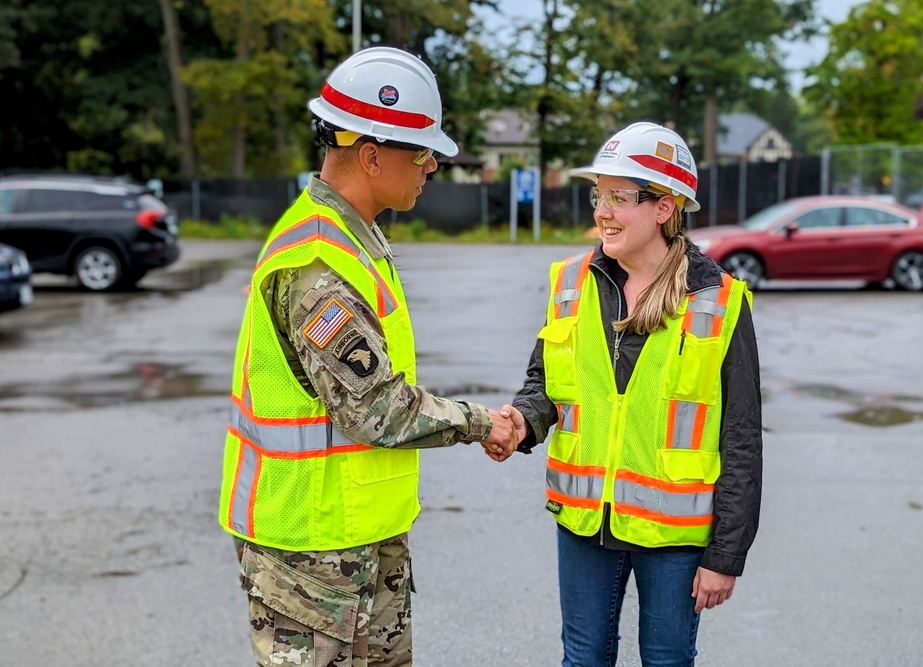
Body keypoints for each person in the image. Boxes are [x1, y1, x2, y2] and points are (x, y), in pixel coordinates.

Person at [217, 46, 519, 667]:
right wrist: (482, 423)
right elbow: (378, 410)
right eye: (422, 151)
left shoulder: (356, 239)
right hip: (308, 553)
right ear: (372, 154)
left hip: (356, 535)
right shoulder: (320, 265)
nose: (431, 165)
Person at [497, 122, 763, 666]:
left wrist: (727, 554)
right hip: (584, 519)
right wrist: (522, 423)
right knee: (584, 658)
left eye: (620, 198)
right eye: (599, 195)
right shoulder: (571, 283)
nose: (603, 211)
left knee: (666, 661)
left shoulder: (719, 302)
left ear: (664, 208)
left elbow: (741, 436)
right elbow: (545, 386)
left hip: (675, 535)